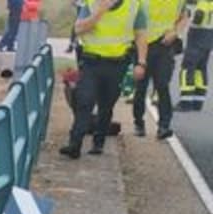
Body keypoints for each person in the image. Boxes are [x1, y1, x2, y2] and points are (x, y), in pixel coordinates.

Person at [60, 0, 149, 158]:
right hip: (91, 62)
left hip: (118, 64)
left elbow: (141, 35)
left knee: (106, 105)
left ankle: (98, 142)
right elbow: (79, 28)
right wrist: (99, 13)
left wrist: (141, 62)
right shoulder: (92, 4)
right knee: (84, 101)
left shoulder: (134, 5)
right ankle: (74, 144)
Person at [132, 0, 186, 137]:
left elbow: (184, 16)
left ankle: (164, 126)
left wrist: (175, 32)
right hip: (143, 44)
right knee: (141, 87)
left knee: (162, 85)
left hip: (164, 45)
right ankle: (139, 122)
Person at [178, 0, 213, 111]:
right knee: (201, 69)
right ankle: (198, 102)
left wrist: (190, 17)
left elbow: (198, 18)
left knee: (187, 68)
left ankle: (186, 102)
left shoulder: (203, 3)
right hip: (209, 36)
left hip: (197, 36)